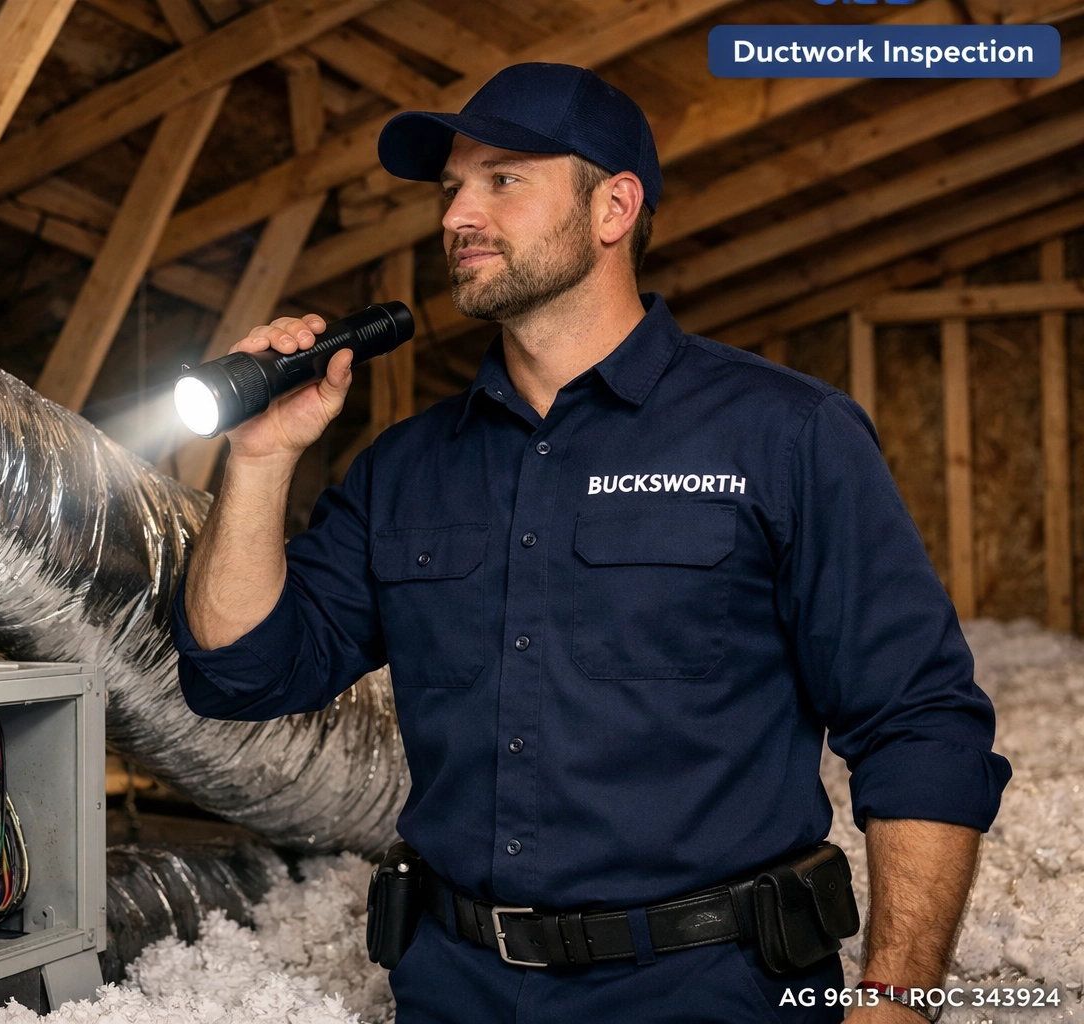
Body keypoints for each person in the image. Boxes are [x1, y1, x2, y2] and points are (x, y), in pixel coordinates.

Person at [170, 62, 1010, 1023]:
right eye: (452, 189)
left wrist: (897, 1001)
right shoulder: (404, 469)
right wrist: (261, 459)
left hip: (713, 993)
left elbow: (921, 723)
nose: (455, 217)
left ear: (613, 208)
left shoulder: (787, 435)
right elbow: (237, 676)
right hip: (456, 992)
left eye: (504, 179)